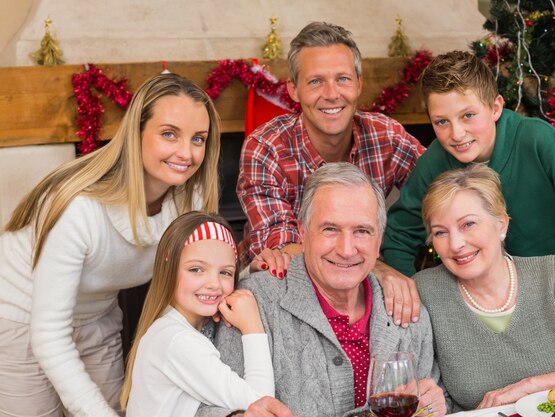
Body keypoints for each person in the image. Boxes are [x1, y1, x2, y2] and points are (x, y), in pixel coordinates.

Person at [0, 73, 221, 417]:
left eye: (198, 139)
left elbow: (205, 276)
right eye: (168, 134)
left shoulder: (189, 200)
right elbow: (49, 334)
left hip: (97, 316)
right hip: (22, 318)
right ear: (136, 134)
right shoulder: (78, 208)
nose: (186, 153)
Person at [381, 50, 555, 320]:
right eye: (441, 122)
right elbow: (398, 236)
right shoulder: (435, 162)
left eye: (468, 115)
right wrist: (417, 304)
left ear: (496, 107)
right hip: (477, 310)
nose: (457, 134)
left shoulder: (537, 141)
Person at [199, 163, 448, 417]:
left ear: (379, 240)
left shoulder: (407, 312)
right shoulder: (252, 304)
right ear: (303, 233)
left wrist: (437, 404)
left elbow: (435, 399)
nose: (346, 249)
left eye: (362, 231)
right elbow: (204, 408)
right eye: (330, 229)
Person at [237, 22, 425, 326]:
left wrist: (399, 252)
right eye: (315, 82)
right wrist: (381, 268)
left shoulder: (385, 135)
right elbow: (282, 246)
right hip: (277, 288)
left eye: (343, 79)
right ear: (293, 90)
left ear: (359, 84)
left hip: (359, 285)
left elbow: (441, 191)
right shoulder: (266, 145)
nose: (332, 94)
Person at [413, 164, 555, 411]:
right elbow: (437, 399)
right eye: (440, 233)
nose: (456, 244)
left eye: (468, 224)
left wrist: (529, 387)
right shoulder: (424, 291)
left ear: (501, 225)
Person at [121, 212, 274, 416]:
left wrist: (248, 275)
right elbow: (262, 405)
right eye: (196, 269)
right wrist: (253, 327)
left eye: (225, 273)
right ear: (170, 269)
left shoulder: (168, 327)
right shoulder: (177, 341)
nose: (213, 284)